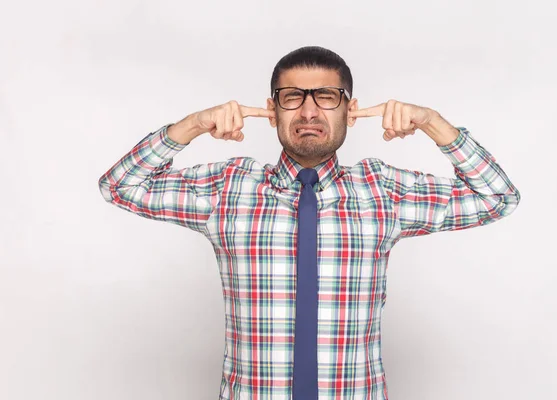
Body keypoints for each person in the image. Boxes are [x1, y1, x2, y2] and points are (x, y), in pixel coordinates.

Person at [98, 45, 520, 400]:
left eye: (327, 97)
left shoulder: (382, 190)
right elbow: (118, 186)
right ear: (272, 109)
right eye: (293, 97)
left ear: (350, 110)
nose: (309, 111)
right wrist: (189, 127)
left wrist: (433, 123)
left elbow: (498, 197)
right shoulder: (227, 188)